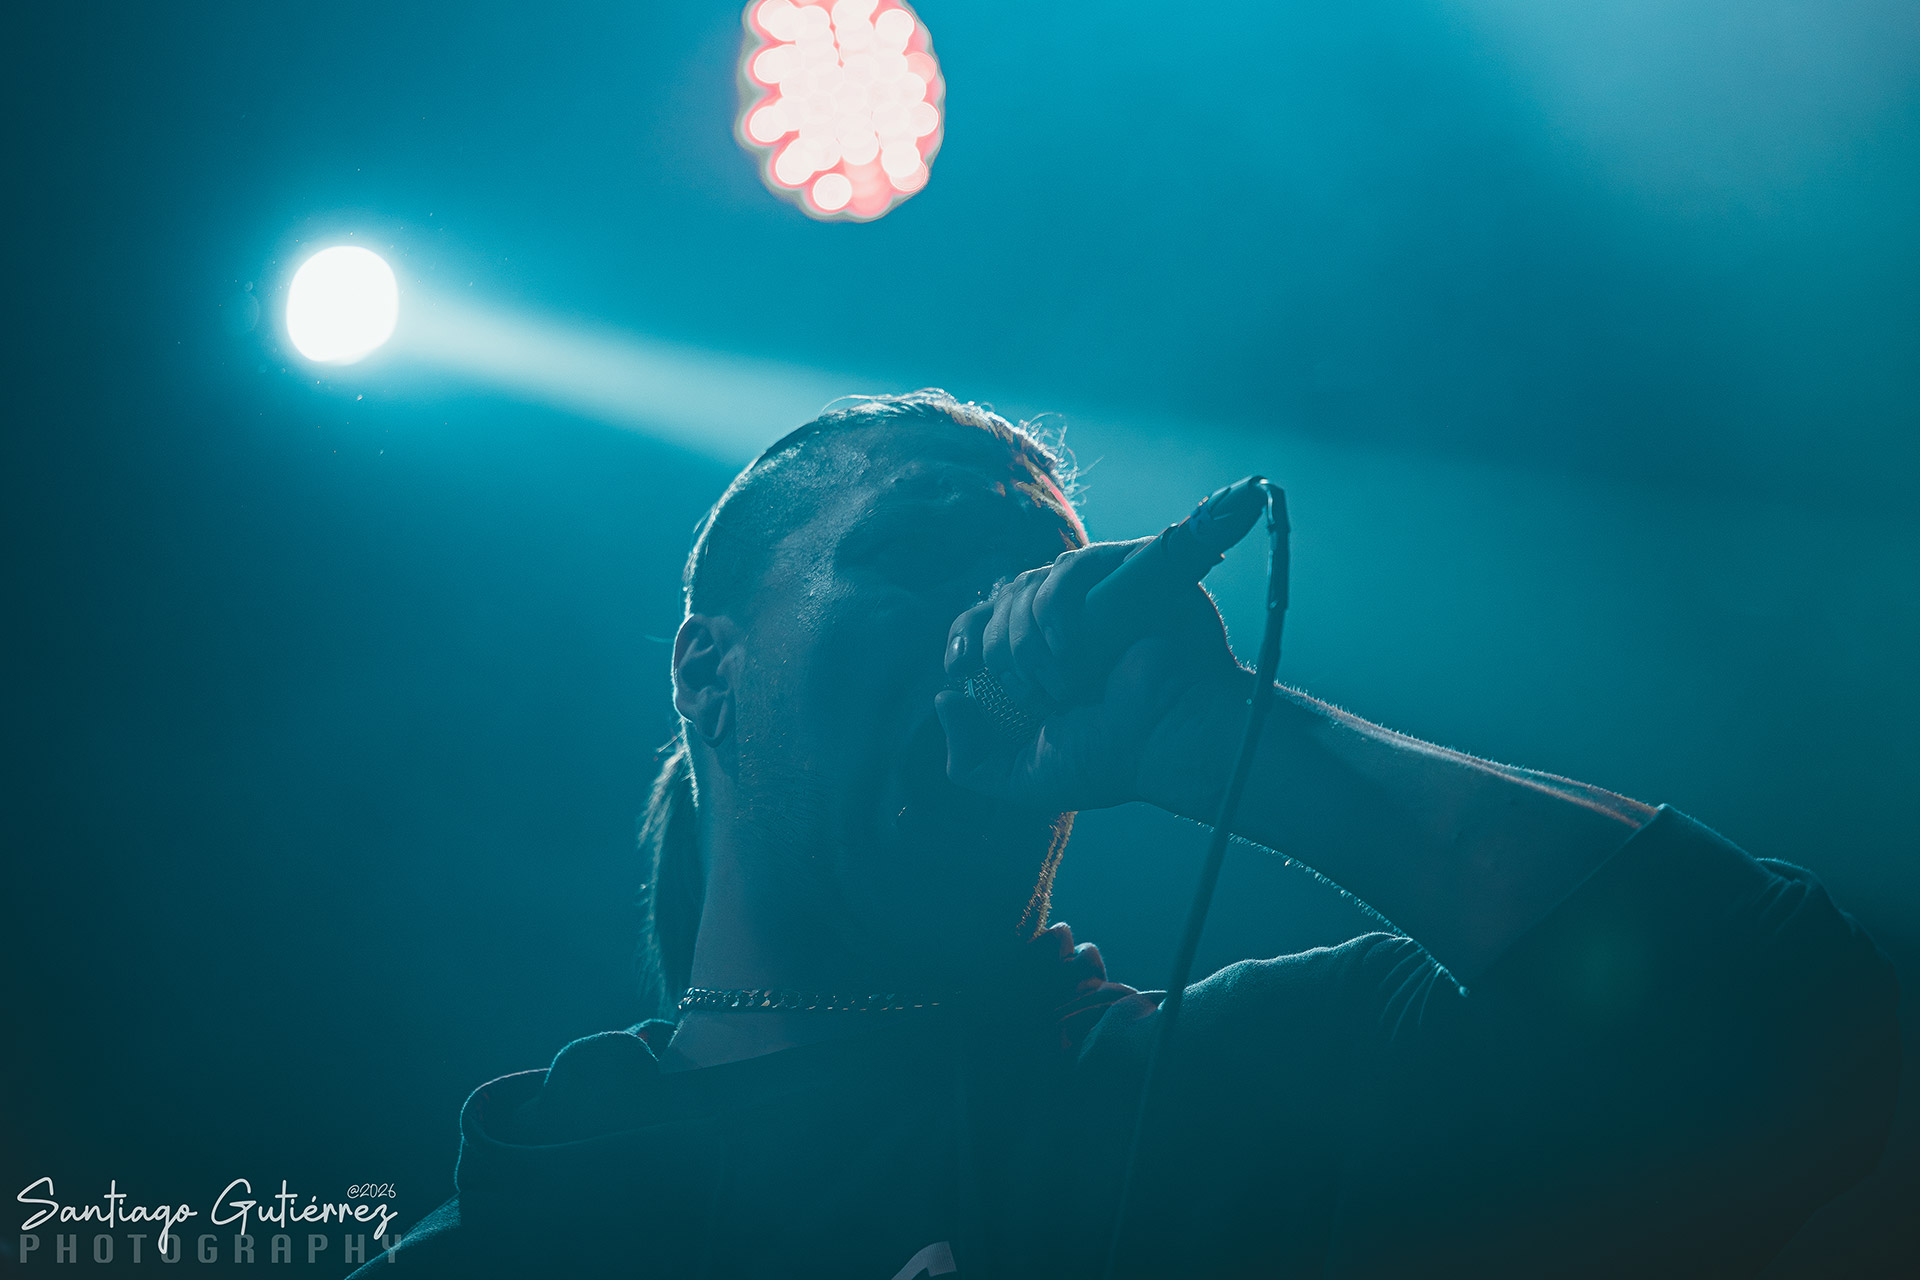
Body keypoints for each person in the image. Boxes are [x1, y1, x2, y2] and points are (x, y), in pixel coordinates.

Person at [356, 391, 1898, 1278]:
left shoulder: (1248, 1098)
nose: (986, 615)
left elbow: (1798, 1029)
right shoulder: (508, 1236)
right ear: (708, 671)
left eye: (1027, 570)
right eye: (914, 555)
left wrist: (1224, 739)